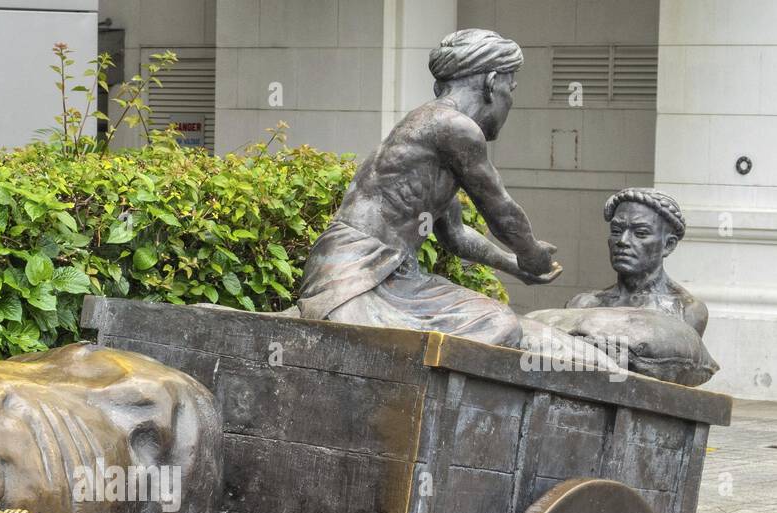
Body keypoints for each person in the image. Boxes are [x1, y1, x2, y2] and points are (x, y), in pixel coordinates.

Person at [298, 28, 559, 347]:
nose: (510, 100)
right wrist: (531, 253)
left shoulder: (428, 133)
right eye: (511, 87)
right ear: (491, 83)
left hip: (389, 275)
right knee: (498, 326)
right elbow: (501, 211)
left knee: (498, 321)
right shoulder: (455, 128)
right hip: (353, 278)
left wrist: (514, 265)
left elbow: (456, 235)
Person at [565, 188, 706, 333]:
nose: (622, 241)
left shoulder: (685, 310)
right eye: (616, 231)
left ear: (668, 245)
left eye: (640, 233)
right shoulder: (583, 304)